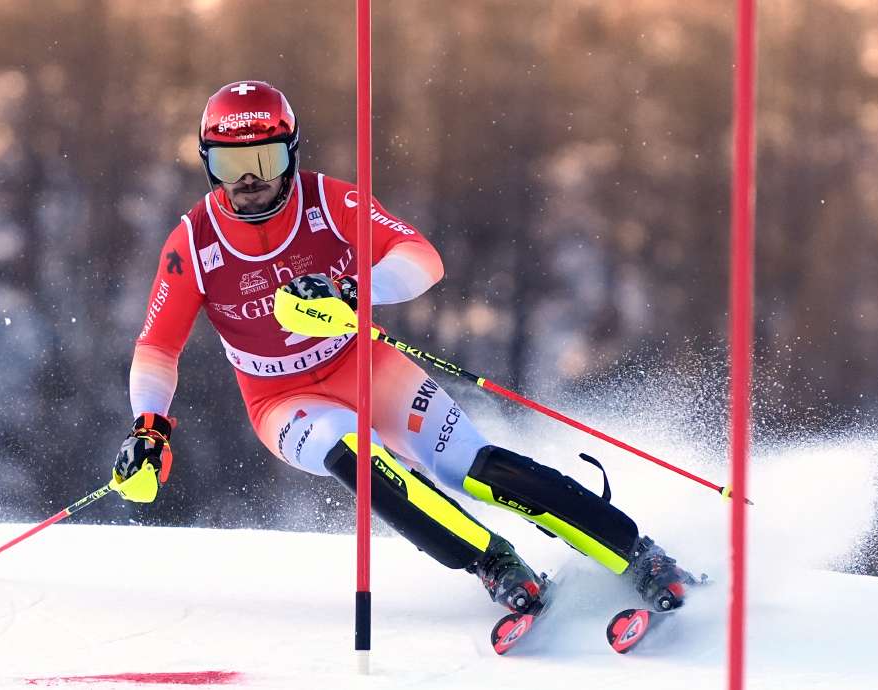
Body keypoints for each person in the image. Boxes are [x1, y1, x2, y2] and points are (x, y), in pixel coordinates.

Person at [111, 80, 693, 618]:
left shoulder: (328, 203)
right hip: (281, 401)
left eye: (266, 159)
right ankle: (494, 562)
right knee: (353, 452)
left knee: (468, 465)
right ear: (206, 164)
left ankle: (638, 555)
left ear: (292, 153)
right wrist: (149, 428)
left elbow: (423, 260)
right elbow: (157, 347)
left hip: (363, 364)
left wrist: (354, 290)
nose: (249, 179)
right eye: (230, 163)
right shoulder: (193, 242)